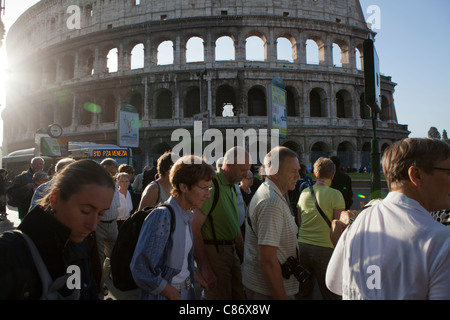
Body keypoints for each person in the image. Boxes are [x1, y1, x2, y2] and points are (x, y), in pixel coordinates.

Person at [326, 137, 450, 299]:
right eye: (448, 172)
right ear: (416, 175)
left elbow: (333, 282)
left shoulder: (359, 220)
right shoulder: (440, 240)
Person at [0, 159, 116, 299]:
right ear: (55, 199)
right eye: (85, 211)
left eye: (101, 214)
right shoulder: (10, 252)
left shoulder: (78, 241)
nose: (93, 225)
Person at [130, 155, 216, 300]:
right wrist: (171, 293)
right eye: (203, 188)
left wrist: (195, 277)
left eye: (209, 188)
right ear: (183, 187)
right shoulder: (162, 216)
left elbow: (178, 262)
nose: (208, 195)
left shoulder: (186, 215)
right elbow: (141, 268)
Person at [192, 146, 251, 300]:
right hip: (215, 253)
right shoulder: (211, 187)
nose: (246, 175)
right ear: (229, 166)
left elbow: (234, 224)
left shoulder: (231, 185)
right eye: (243, 170)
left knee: (239, 294)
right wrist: (205, 269)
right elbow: (194, 228)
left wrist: (244, 254)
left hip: (231, 252)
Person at [242, 146, 300, 300]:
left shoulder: (272, 192)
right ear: (274, 171)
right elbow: (267, 260)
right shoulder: (271, 203)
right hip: (268, 291)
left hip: (266, 286)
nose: (299, 176)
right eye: (293, 171)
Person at [297, 157, 345, 300]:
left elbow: (300, 222)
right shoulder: (335, 195)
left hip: (303, 246)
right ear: (332, 175)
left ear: (315, 174)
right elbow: (337, 227)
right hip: (325, 248)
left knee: (304, 291)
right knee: (330, 292)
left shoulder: (304, 193)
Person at [97, 158, 121, 298]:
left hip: (113, 224)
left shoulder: (114, 182)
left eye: (114, 172)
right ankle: (99, 284)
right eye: (110, 172)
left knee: (115, 254)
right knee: (99, 257)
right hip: (100, 224)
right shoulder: (96, 182)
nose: (112, 174)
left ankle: (108, 277)